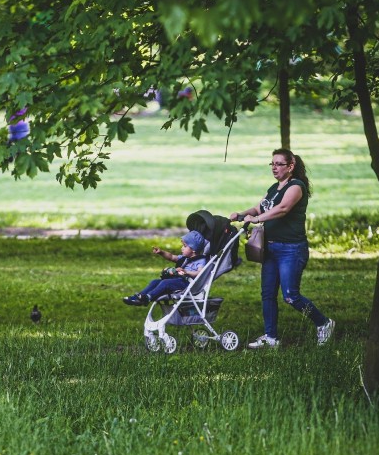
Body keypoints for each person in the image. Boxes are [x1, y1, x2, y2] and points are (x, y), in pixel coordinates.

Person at [230, 148, 335, 348]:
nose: (274, 168)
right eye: (272, 164)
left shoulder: (296, 186)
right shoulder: (274, 188)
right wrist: (242, 214)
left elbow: (282, 209)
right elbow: (259, 208)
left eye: (279, 164)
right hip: (270, 249)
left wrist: (257, 219)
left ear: (291, 166)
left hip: (291, 249)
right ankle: (271, 337)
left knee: (290, 295)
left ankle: (324, 323)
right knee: (267, 294)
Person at [123, 230, 207, 306]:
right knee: (155, 282)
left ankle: (148, 297)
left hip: (187, 285)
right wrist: (161, 252)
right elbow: (171, 257)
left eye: (185, 246)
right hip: (177, 281)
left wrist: (187, 272)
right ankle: (139, 297)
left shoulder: (201, 260)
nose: (182, 248)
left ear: (194, 249)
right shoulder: (184, 258)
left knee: (165, 283)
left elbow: (200, 273)